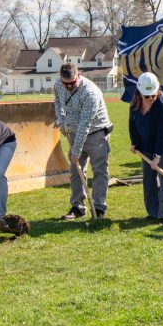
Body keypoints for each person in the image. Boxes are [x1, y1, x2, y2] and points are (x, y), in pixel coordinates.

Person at [53, 62, 113, 220]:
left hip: (96, 133)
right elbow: (58, 103)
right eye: (65, 83)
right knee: (75, 171)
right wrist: (61, 120)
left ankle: (99, 208)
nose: (68, 87)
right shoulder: (58, 85)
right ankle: (77, 207)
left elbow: (84, 126)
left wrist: (76, 151)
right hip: (74, 132)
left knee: (99, 171)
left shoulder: (90, 92)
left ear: (78, 75)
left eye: (72, 83)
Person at [129, 72, 163, 225]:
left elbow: (162, 133)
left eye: (153, 95)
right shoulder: (135, 104)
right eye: (147, 96)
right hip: (146, 143)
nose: (151, 99)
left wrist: (158, 156)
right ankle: (154, 212)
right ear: (140, 93)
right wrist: (134, 142)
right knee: (148, 177)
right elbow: (132, 124)